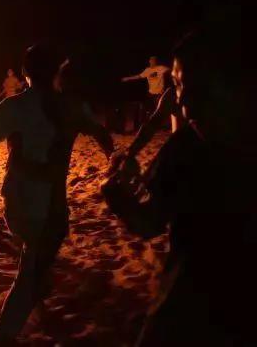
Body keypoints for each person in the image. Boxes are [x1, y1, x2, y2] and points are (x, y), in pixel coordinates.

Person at [0, 45, 114, 345]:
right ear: (58, 71)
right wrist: (117, 163)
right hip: (34, 202)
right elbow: (103, 136)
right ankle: (3, 334)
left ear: (24, 73)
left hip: (20, 201)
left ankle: (36, 289)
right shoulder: (69, 106)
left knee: (42, 247)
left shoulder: (16, 106)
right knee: (32, 265)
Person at [103, 32, 250, 345]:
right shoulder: (181, 147)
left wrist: (112, 191)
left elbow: (147, 223)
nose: (181, 100)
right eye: (178, 85)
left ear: (230, 85)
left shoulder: (185, 149)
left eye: (192, 86)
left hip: (189, 302)